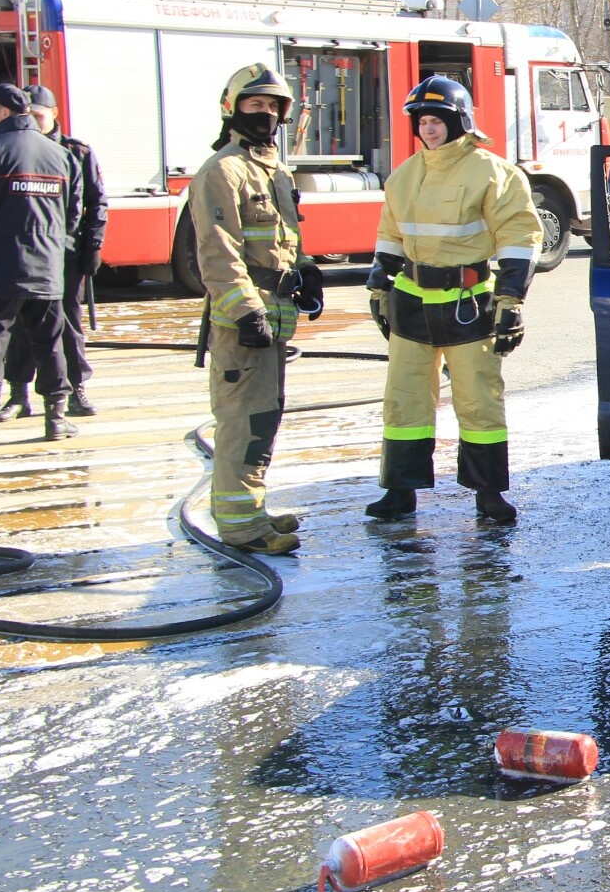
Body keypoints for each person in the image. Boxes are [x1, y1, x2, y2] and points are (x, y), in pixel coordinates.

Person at [364, 75, 540, 525]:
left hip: (469, 304)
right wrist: (379, 282)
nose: (429, 128)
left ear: (458, 121)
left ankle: (489, 495)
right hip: (411, 303)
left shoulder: (493, 172)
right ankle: (399, 492)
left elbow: (518, 238)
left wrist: (510, 301)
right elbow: (390, 233)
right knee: (405, 401)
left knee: (478, 400)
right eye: (422, 121)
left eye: (438, 120)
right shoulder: (405, 175)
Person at [187, 64, 325, 555]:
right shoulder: (221, 171)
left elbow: (284, 239)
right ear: (233, 108)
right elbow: (217, 252)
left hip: (275, 315)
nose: (264, 114)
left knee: (263, 419)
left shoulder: (274, 170)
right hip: (245, 325)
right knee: (243, 423)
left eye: (272, 107)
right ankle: (242, 528)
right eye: (254, 105)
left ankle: (250, 510)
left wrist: (306, 270)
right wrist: (246, 312)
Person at [0, 84, 81, 448]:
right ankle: (56, 418)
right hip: (48, 268)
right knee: (50, 342)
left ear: (5, 112)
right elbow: (73, 214)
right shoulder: (62, 155)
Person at [0, 86, 107, 420]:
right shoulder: (14, 148)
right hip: (24, 253)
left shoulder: (77, 153)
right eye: (27, 114)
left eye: (39, 115)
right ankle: (18, 395)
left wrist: (93, 246)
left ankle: (76, 390)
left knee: (69, 324)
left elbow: (95, 203)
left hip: (64, 254)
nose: (32, 120)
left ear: (54, 114)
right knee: (17, 325)